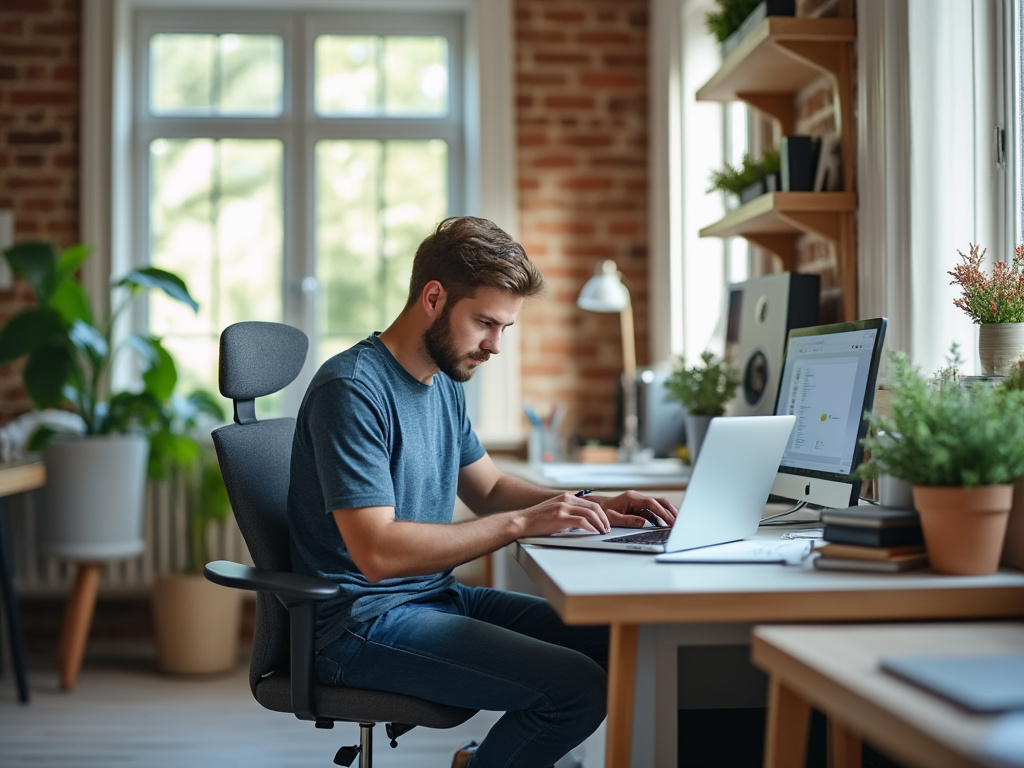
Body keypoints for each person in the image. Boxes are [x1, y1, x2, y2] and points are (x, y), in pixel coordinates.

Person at [287, 216, 678, 768]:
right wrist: (523, 524)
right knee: (576, 691)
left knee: (617, 643)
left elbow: (490, 487)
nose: (494, 346)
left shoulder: (444, 381)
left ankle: (481, 759)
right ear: (433, 297)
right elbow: (378, 554)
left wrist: (595, 503)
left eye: (505, 329)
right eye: (485, 324)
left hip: (432, 598)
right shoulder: (352, 388)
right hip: (362, 624)